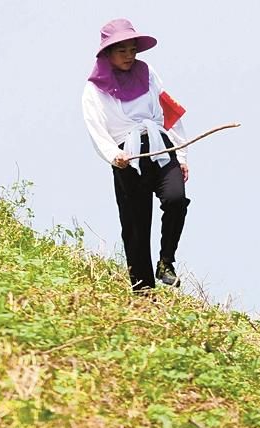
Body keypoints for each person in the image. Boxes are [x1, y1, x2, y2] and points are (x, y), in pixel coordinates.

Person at [81, 19, 190, 292]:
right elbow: (96, 128)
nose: (130, 56)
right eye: (122, 51)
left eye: (133, 50)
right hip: (127, 157)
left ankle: (166, 261)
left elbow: (168, 112)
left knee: (176, 199)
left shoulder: (149, 73)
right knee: (136, 225)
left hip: (160, 147)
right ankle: (143, 291)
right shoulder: (93, 89)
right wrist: (113, 155)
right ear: (107, 53)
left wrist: (182, 153)